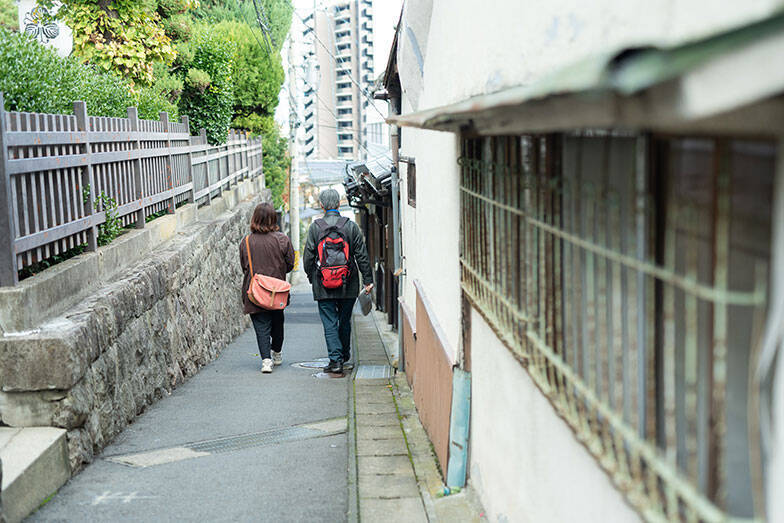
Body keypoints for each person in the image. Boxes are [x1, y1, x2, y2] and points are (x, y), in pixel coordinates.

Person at [303, 189, 373, 374]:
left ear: (322, 205)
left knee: (329, 322)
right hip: (348, 282)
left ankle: (335, 361)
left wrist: (312, 277)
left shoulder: (315, 227)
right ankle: (343, 354)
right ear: (339, 203)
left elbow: (308, 256)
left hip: (323, 283)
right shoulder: (350, 226)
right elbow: (361, 255)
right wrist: (368, 279)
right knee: (344, 320)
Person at [239, 203, 295, 374]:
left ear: (254, 218)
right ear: (273, 218)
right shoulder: (282, 239)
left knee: (261, 326)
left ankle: (266, 360)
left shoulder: (246, 242)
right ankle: (276, 352)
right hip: (277, 291)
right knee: (278, 322)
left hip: (255, 291)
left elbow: (244, 266)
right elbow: (290, 264)